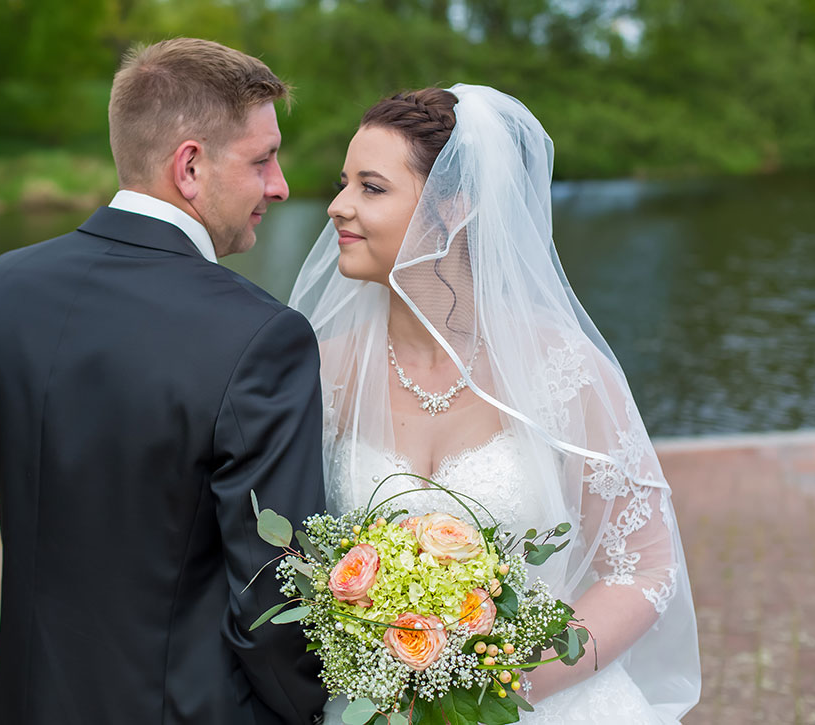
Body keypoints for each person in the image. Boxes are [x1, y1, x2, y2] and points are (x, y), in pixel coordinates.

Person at [290, 85, 701, 723]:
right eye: (344, 183)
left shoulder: (563, 372)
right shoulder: (322, 368)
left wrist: (498, 688)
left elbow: (643, 568)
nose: (337, 207)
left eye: (371, 188)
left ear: (452, 210)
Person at [0, 38, 327, 724]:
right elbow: (277, 598)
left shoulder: (5, 287)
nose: (279, 184)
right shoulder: (260, 338)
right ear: (189, 166)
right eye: (262, 159)